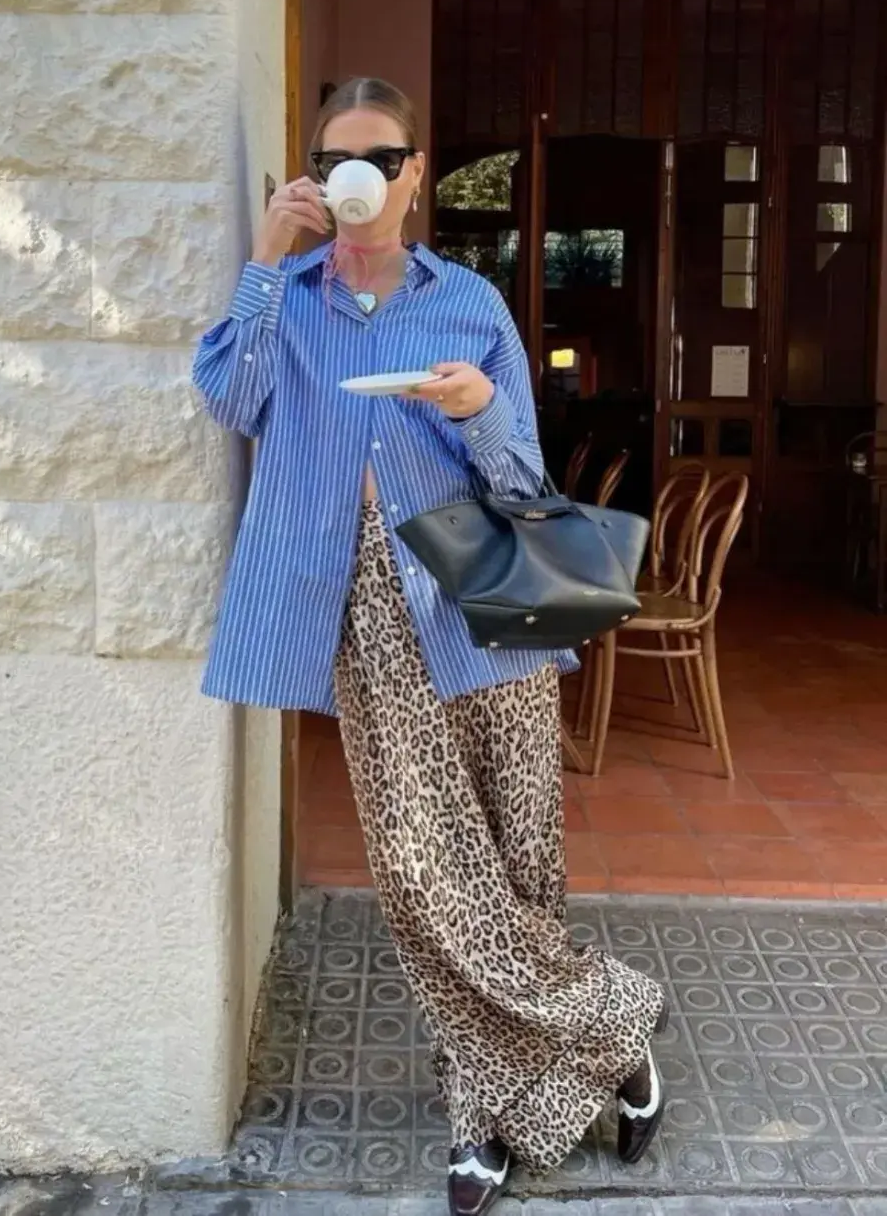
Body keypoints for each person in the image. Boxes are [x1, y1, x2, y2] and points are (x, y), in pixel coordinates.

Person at [193, 76, 668, 1216]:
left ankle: (485, 1121)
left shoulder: (470, 305)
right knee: (421, 881)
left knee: (515, 871)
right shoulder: (291, 300)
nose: (357, 176)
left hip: (484, 614)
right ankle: (618, 1023)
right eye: (333, 156)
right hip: (366, 625)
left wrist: (475, 412)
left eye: (380, 155)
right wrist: (265, 252)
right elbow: (231, 396)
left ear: (413, 173)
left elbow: (525, 485)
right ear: (317, 173)